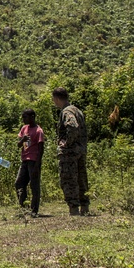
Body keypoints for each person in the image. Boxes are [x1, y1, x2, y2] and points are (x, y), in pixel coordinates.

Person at [52, 87, 89, 216]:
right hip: (80, 150)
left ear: (56, 98)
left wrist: (67, 142)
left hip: (70, 152)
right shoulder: (77, 110)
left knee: (68, 180)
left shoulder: (66, 112)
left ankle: (74, 208)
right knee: (81, 179)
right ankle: (84, 207)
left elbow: (72, 126)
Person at [14, 109, 44, 216]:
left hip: (33, 161)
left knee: (34, 186)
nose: (23, 119)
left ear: (32, 117)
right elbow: (18, 145)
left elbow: (41, 150)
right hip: (24, 161)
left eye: (25, 117)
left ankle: (34, 210)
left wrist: (37, 165)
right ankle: (24, 208)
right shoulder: (24, 129)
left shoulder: (38, 131)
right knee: (19, 183)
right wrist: (23, 140)